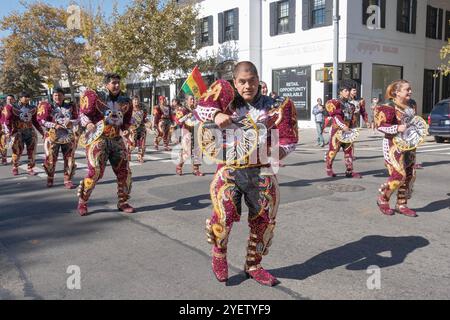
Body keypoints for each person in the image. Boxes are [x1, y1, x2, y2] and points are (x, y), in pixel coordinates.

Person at [195, 61, 298, 286]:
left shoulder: (278, 105)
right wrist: (216, 116)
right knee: (224, 214)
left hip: (261, 169)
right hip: (231, 168)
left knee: (264, 220)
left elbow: (290, 138)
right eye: (242, 81)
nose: (248, 86)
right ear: (235, 82)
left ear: (259, 80)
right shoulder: (226, 96)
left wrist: (278, 151)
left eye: (252, 80)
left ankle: (253, 264)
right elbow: (200, 107)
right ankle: (219, 254)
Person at [77, 73, 135, 216]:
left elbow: (126, 121)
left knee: (124, 171)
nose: (116, 85)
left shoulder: (126, 100)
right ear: (106, 84)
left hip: (116, 139)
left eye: (117, 83)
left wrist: (126, 130)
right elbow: (82, 114)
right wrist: (88, 123)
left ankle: (123, 202)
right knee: (95, 172)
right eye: (113, 83)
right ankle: (83, 201)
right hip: (98, 138)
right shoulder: (95, 96)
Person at [375, 80, 420, 217]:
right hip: (393, 144)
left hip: (409, 144)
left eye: (410, 89)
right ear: (397, 92)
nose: (410, 92)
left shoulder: (412, 104)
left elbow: (414, 122)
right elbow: (380, 126)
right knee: (398, 175)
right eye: (407, 89)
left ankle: (401, 204)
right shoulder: (387, 105)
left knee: (410, 174)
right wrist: (396, 128)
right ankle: (383, 199)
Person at [325, 80, 367, 178]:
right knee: (333, 151)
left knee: (349, 152)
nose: (348, 93)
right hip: (337, 132)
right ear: (340, 92)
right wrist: (344, 126)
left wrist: (353, 129)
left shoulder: (351, 106)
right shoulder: (334, 102)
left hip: (348, 132)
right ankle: (329, 168)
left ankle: (349, 171)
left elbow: (352, 119)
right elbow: (336, 117)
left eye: (349, 90)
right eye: (345, 90)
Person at [37, 88, 78, 189]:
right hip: (53, 135)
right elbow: (41, 120)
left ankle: (67, 179)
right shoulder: (47, 106)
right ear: (52, 96)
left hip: (68, 136)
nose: (57, 97)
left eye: (59, 95)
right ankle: (50, 178)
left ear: (63, 96)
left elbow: (78, 118)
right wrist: (54, 125)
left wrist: (71, 122)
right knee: (51, 158)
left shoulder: (71, 106)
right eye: (55, 95)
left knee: (69, 158)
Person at [1, 92, 43, 176]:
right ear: (20, 98)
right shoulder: (13, 107)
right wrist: (8, 131)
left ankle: (30, 168)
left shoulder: (33, 108)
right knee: (17, 151)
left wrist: (42, 132)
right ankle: (15, 167)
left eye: (28, 97)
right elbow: (7, 120)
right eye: (25, 97)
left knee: (31, 151)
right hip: (17, 132)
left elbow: (35, 121)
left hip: (30, 132)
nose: (27, 98)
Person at [174, 95, 203, 176]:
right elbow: (178, 120)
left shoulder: (197, 109)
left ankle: (196, 169)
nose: (193, 101)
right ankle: (179, 167)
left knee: (198, 150)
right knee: (187, 152)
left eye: (193, 99)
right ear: (186, 100)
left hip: (196, 130)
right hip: (186, 131)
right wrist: (187, 116)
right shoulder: (182, 109)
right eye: (191, 99)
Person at [124, 96, 148, 163]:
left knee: (142, 144)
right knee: (133, 144)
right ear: (132, 101)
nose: (136, 102)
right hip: (132, 128)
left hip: (142, 128)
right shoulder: (129, 109)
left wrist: (148, 122)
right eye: (134, 100)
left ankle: (140, 157)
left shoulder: (143, 109)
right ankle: (128, 153)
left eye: (137, 100)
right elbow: (125, 119)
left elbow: (144, 118)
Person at [0, 94, 15, 165]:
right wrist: (5, 129)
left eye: (10, 99)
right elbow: (4, 119)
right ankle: (4, 159)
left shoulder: (14, 107)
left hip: (13, 128)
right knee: (4, 144)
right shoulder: (6, 107)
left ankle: (13, 159)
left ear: (14, 100)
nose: (9, 100)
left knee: (13, 144)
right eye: (8, 99)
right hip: (6, 128)